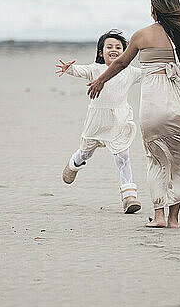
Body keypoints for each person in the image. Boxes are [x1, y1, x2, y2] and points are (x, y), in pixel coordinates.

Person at [87, 0, 180, 227]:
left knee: (157, 159)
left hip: (152, 108)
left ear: (152, 10)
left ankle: (158, 215)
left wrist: (100, 80)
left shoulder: (141, 35)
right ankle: (174, 219)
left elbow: (120, 62)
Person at [56, 29, 143, 214]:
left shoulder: (130, 72)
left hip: (119, 120)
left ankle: (129, 197)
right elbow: (81, 70)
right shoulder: (96, 69)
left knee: (123, 157)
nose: (114, 49)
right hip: (96, 121)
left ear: (126, 53)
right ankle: (74, 163)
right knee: (87, 152)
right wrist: (69, 68)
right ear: (101, 52)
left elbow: (149, 73)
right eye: (109, 47)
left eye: (118, 47)